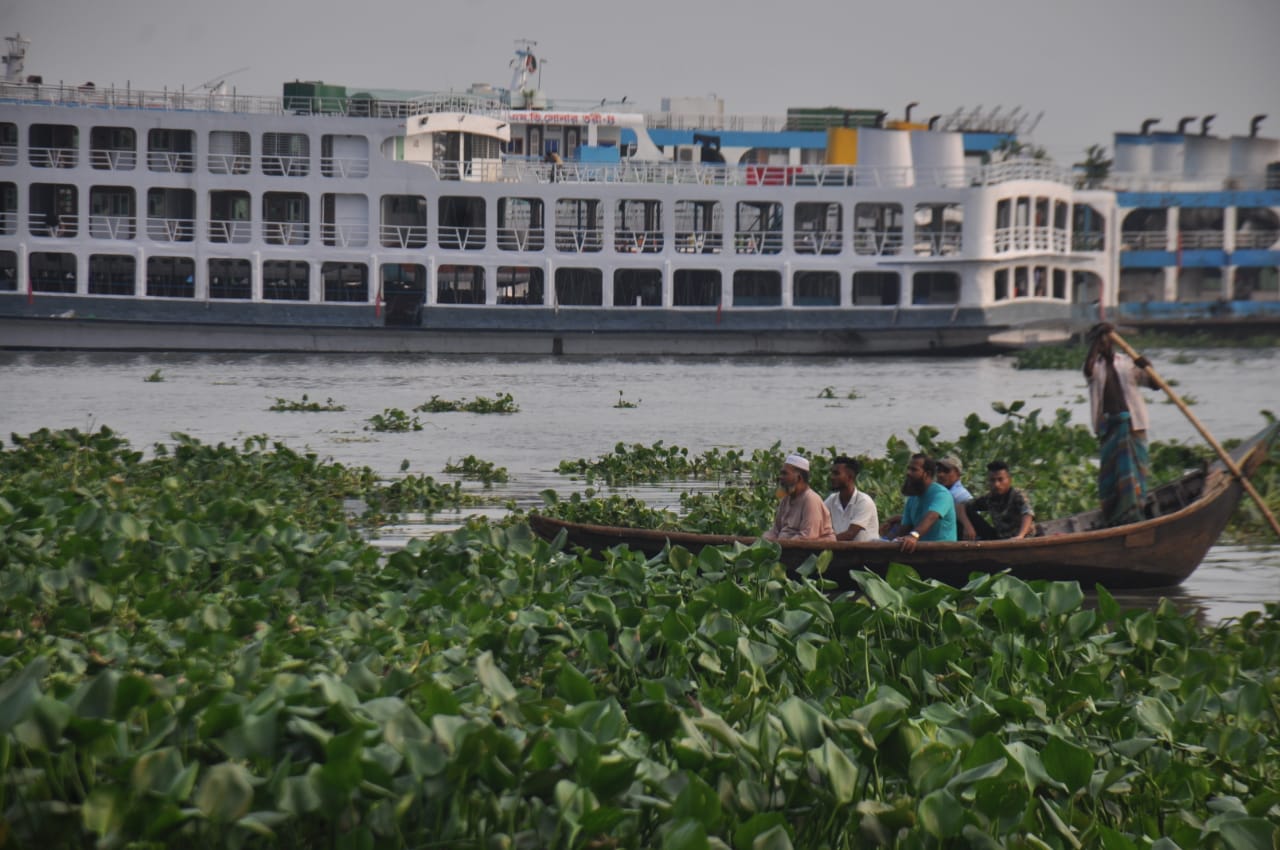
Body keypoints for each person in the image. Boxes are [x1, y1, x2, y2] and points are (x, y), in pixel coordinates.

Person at [1084, 322, 1157, 526]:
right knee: (1110, 477)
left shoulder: (1126, 362)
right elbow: (1088, 370)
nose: (1105, 345)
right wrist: (1098, 340)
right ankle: (1116, 514)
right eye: (1101, 343)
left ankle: (1137, 509)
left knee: (1137, 473)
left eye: (1107, 341)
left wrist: (1146, 365)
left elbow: (1155, 384)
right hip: (1110, 427)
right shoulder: (1094, 367)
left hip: (1134, 424)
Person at [881, 454, 956, 552]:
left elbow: (931, 516)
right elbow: (905, 527)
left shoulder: (941, 494)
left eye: (914, 470)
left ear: (927, 474)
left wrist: (914, 535)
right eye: (908, 469)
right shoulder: (913, 498)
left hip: (942, 551)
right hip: (920, 551)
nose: (908, 473)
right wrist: (890, 539)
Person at [763, 453, 835, 541]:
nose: (780, 477)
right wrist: (763, 540)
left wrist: (782, 545)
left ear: (799, 478)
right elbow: (775, 531)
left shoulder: (810, 499)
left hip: (808, 551)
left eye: (785, 474)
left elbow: (808, 536)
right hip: (785, 546)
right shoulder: (785, 499)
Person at [958, 460, 1036, 540]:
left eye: (1000, 480)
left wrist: (1021, 535)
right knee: (968, 512)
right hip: (1001, 537)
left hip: (1022, 537)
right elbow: (961, 506)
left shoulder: (1017, 495)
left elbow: (1027, 513)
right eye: (992, 480)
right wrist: (967, 526)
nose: (996, 484)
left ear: (1009, 480)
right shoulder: (989, 498)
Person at [824, 456, 879, 542]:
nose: (832, 477)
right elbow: (818, 519)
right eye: (832, 473)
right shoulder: (832, 500)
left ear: (850, 477)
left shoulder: (864, 501)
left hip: (866, 553)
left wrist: (822, 540)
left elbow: (850, 534)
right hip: (841, 550)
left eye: (836, 473)